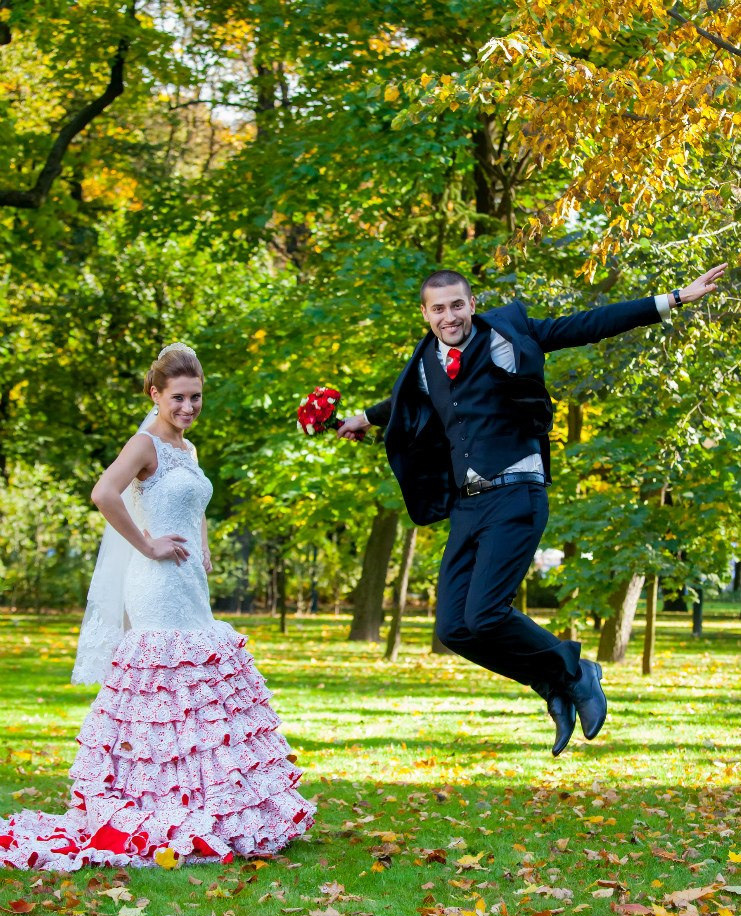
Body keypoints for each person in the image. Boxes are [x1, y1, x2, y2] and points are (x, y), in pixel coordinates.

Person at [338, 264, 727, 756]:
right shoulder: (424, 363)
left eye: (457, 305)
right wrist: (363, 419)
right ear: (426, 314)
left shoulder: (509, 335)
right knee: (454, 628)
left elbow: (585, 325)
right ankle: (554, 685)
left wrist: (672, 298)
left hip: (516, 493)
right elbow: (401, 402)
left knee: (484, 615)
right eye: (438, 308)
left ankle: (576, 670)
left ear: (472, 303)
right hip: (468, 504)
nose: (449, 316)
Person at [0, 343, 313, 869]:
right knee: (166, 683)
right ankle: (152, 803)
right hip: (156, 583)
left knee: (199, 687)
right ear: (155, 394)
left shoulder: (188, 451)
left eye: (196, 398)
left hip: (189, 579)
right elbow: (105, 493)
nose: (188, 408)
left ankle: (201, 801)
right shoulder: (143, 444)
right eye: (179, 398)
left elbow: (191, 500)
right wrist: (147, 544)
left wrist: (203, 541)